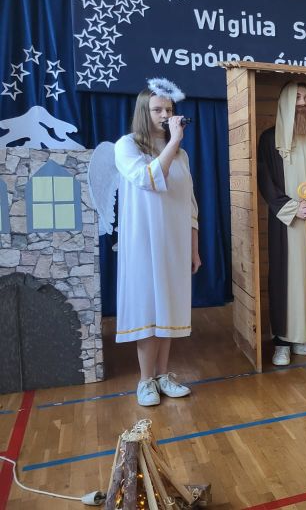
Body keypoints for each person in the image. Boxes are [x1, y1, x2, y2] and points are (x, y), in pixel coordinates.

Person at [114, 78, 201, 407]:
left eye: (169, 109)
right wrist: (173, 141)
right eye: (158, 109)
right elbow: (147, 178)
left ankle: (164, 376)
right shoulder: (127, 146)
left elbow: (190, 205)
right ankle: (145, 380)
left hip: (174, 243)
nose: (165, 114)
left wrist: (194, 249)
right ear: (143, 112)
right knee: (149, 309)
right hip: (143, 243)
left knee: (169, 309)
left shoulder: (182, 156)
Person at [258, 81, 306, 366]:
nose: (302, 103)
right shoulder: (269, 139)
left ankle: (305, 339)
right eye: (297, 97)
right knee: (284, 278)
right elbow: (266, 182)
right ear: (285, 102)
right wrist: (292, 208)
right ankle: (282, 342)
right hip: (285, 223)